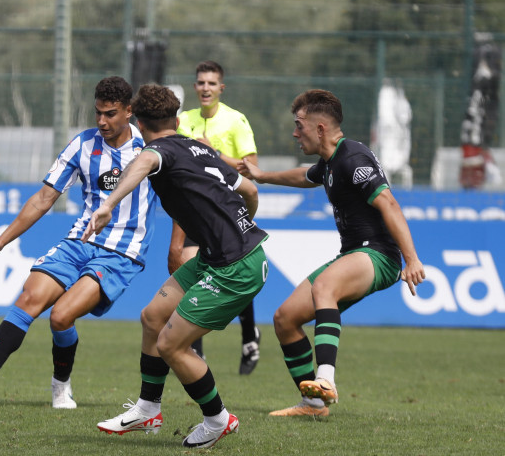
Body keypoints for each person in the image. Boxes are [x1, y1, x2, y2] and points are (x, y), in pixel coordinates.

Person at [84, 84, 268, 448]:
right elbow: (250, 190)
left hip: (236, 266)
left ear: (137, 118)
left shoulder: (158, 150)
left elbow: (145, 163)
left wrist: (108, 205)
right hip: (219, 255)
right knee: (153, 317)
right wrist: (240, 225)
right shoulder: (198, 147)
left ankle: (217, 419)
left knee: (171, 344)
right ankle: (148, 409)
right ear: (177, 117)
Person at [0, 76, 157, 409]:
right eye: (97, 113)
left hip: (121, 252)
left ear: (129, 111)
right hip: (79, 241)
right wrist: (3, 241)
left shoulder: (150, 148)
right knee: (29, 298)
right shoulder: (83, 144)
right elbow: (44, 197)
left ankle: (60, 387)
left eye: (110, 114)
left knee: (61, 317)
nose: (101, 121)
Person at [243, 89, 426, 417]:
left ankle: (325, 380)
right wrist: (261, 176)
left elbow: (389, 204)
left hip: (379, 255)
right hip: (353, 254)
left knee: (323, 286)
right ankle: (314, 405)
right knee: (285, 319)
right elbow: (304, 175)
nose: (295, 133)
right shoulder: (330, 162)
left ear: (320, 129)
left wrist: (411, 258)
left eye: (299, 125)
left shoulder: (353, 158)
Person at [173, 60, 261, 374]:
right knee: (188, 264)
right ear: (195, 86)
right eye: (200, 83)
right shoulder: (183, 120)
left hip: (228, 212)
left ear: (221, 88)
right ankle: (195, 347)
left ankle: (249, 334)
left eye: (211, 83)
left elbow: (251, 169)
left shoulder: (236, 121)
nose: (205, 88)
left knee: (232, 268)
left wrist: (213, 153)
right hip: (196, 212)